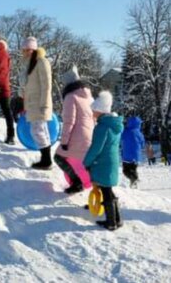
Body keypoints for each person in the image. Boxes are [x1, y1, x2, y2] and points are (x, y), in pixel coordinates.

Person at [83, 91, 124, 231]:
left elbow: (96, 148)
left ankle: (111, 222)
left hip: (103, 164)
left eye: (93, 110)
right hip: (111, 162)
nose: (92, 113)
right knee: (109, 191)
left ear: (99, 110)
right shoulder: (114, 125)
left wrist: (86, 162)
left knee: (106, 192)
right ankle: (117, 219)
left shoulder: (102, 127)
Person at [53, 66, 94, 194]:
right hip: (88, 134)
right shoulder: (88, 96)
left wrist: (64, 141)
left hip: (77, 135)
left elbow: (69, 121)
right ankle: (85, 181)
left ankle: (77, 183)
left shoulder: (70, 96)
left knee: (59, 157)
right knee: (76, 159)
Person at [19, 37, 54, 170]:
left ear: (34, 49)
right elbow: (29, 85)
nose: (26, 52)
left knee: (38, 131)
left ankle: (46, 160)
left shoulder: (42, 62)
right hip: (32, 103)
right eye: (25, 50)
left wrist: (44, 104)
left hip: (40, 103)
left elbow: (47, 85)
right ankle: (46, 159)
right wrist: (22, 96)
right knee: (41, 131)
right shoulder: (28, 64)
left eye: (29, 49)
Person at [121, 116, 145, 189]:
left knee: (125, 170)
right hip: (136, 156)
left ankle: (134, 179)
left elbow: (120, 139)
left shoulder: (125, 131)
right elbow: (142, 143)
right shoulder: (139, 133)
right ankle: (134, 181)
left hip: (126, 155)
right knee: (133, 169)